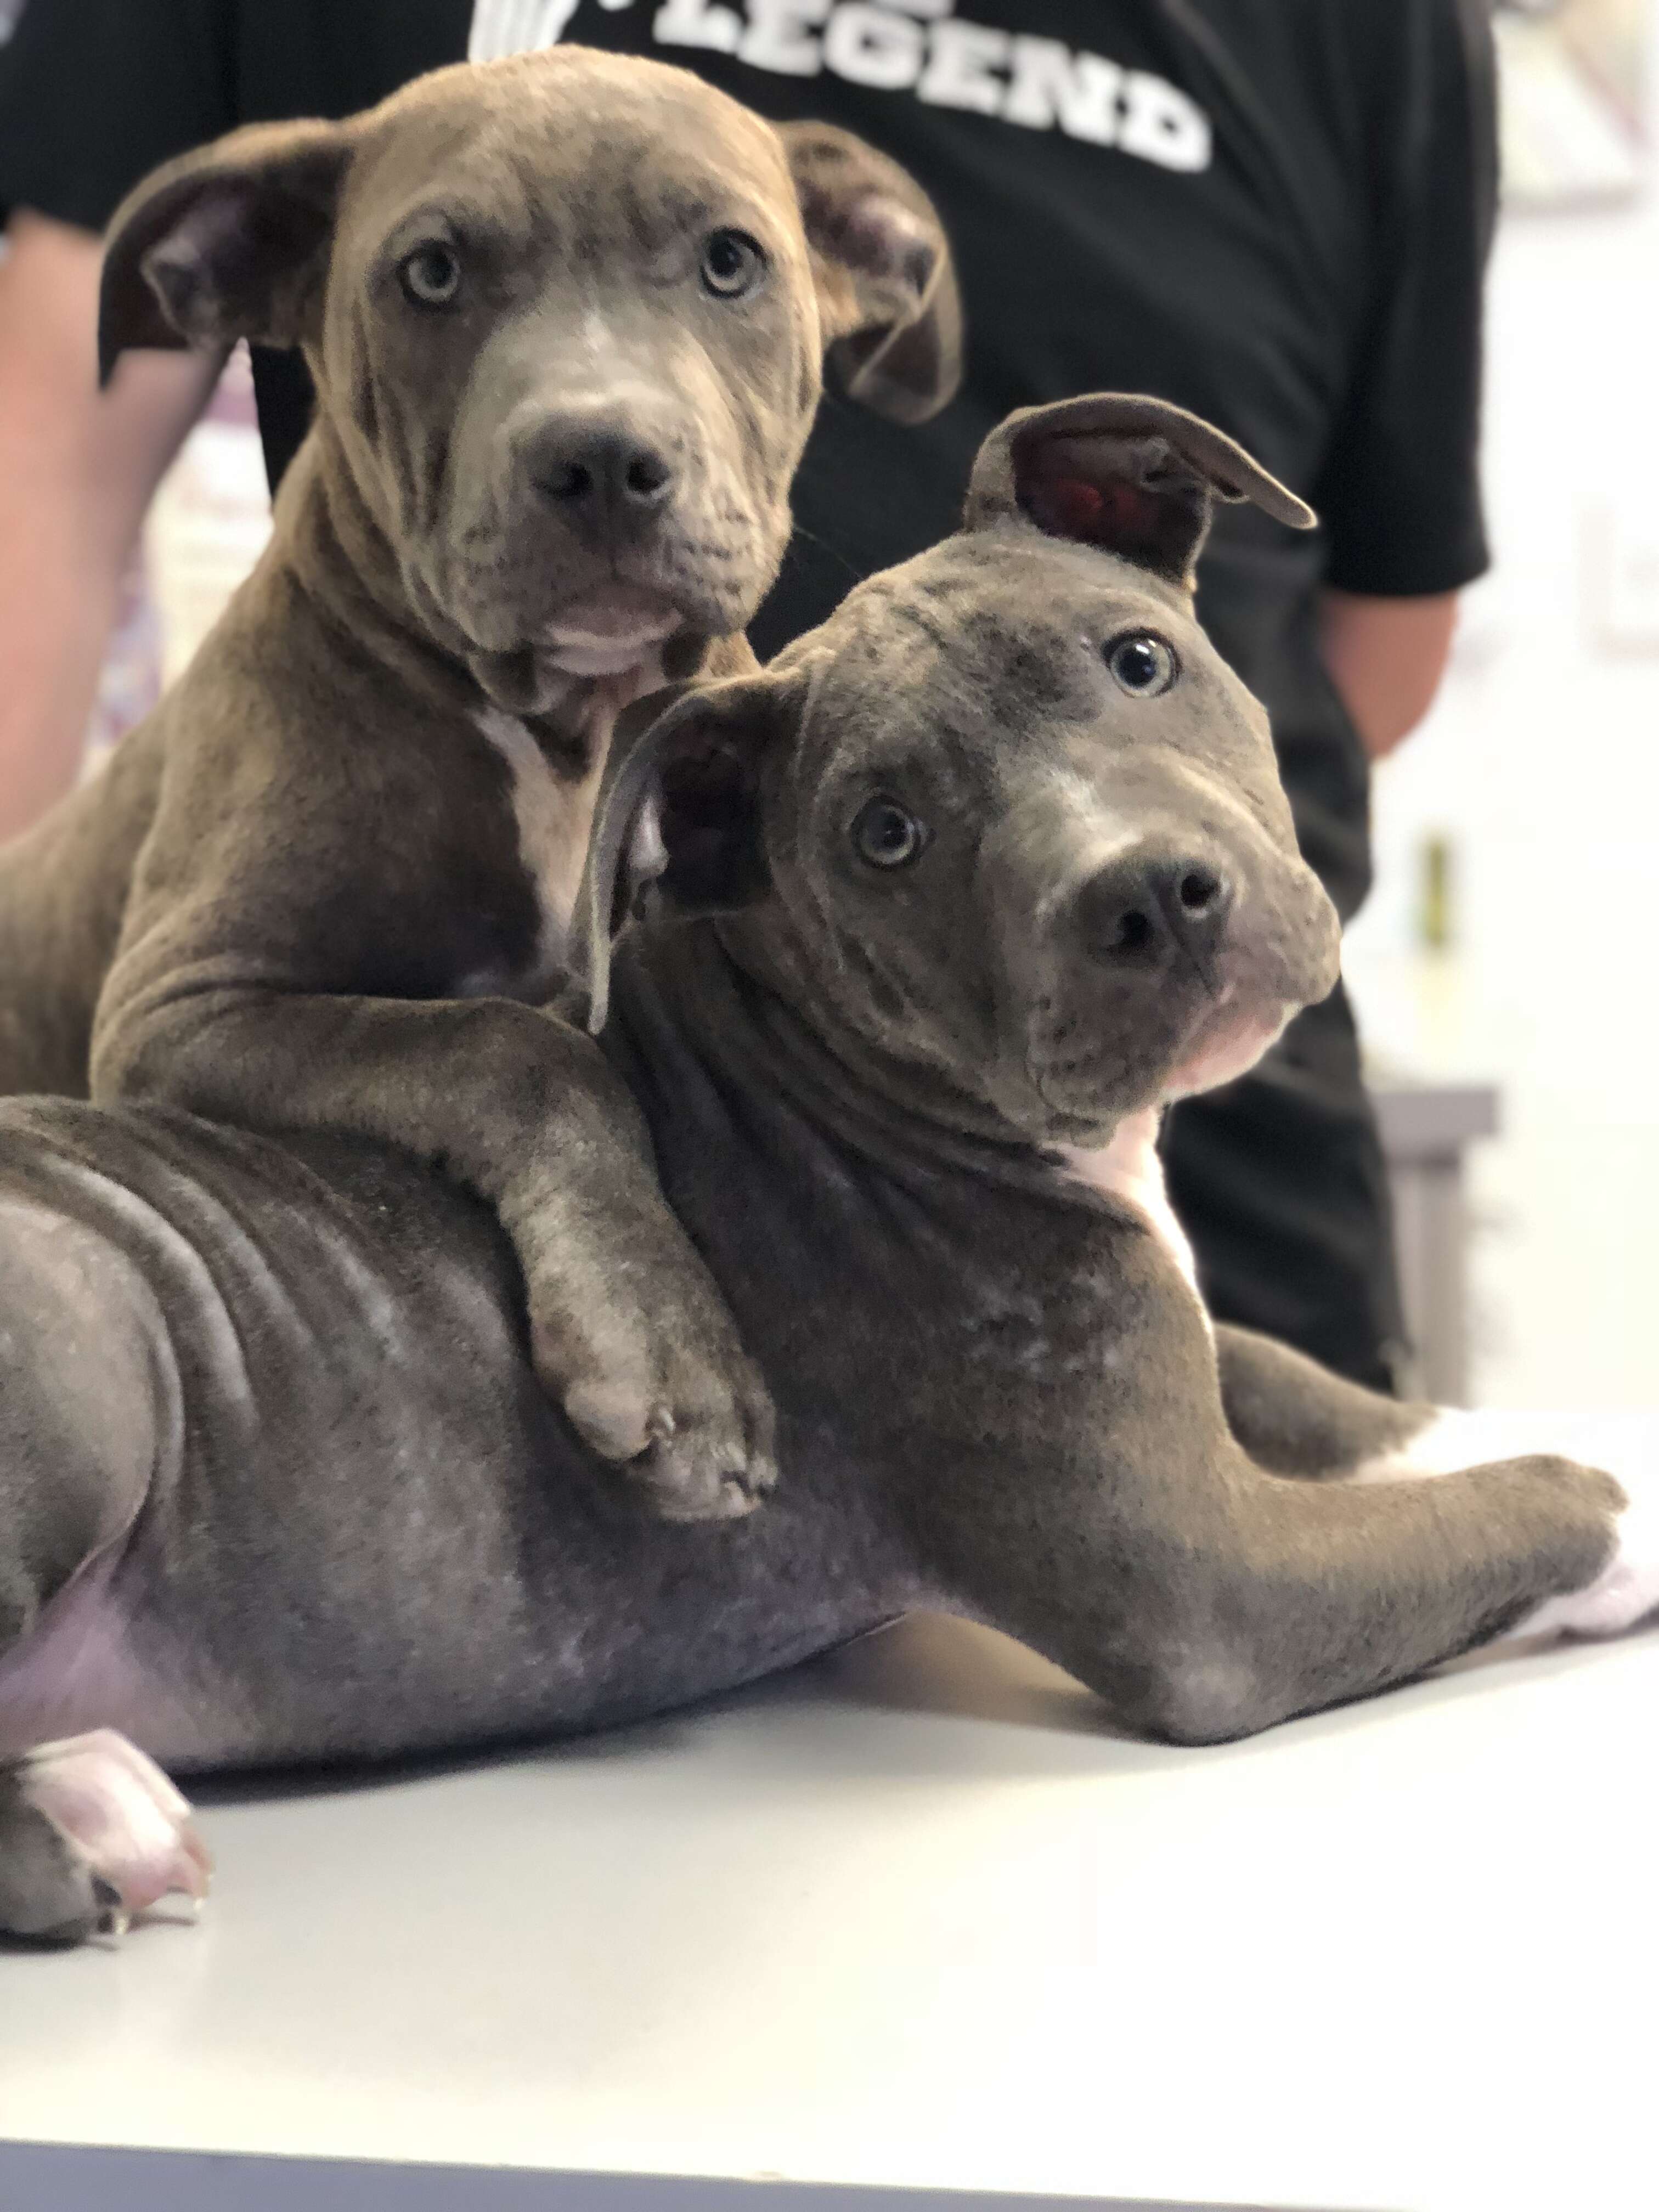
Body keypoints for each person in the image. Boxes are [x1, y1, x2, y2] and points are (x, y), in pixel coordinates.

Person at [0, 0, 1498, 1390]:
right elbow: (36, 491)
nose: (604, 426)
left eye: (725, 266)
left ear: (868, 272)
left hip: (1223, 1223)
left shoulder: (1375, 30)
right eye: (441, 277)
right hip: (332, 1422)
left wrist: (1066, 875)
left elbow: (1383, 650)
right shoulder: (435, 752)